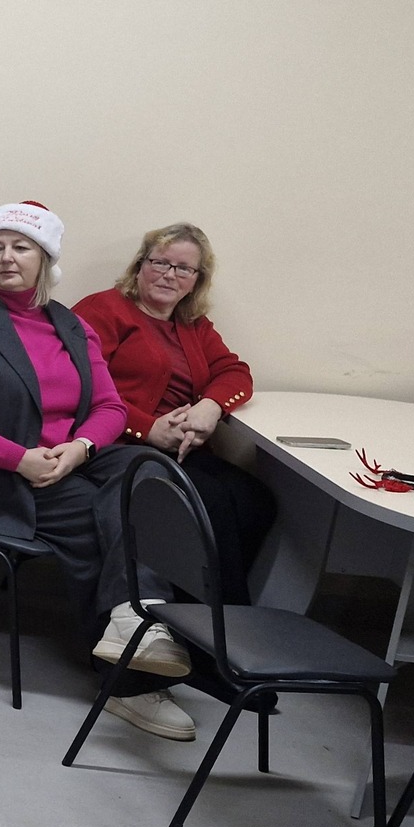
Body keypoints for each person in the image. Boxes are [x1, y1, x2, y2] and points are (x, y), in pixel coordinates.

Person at [0, 202, 197, 740]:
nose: (6, 258)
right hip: (0, 472)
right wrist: (19, 457)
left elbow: (110, 407)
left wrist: (81, 448)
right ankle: (129, 686)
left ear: (45, 258)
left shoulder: (71, 326)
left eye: (21, 247)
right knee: (100, 521)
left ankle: (135, 617)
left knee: (148, 473)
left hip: (67, 460)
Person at [73, 224, 275, 605]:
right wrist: (148, 429)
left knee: (256, 501)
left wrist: (210, 408)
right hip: (119, 445)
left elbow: (235, 372)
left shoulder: (192, 324)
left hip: (180, 448)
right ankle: (208, 622)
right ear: (140, 265)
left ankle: (214, 613)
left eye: (184, 268)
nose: (169, 275)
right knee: (209, 503)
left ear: (196, 280)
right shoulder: (102, 310)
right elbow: (78, 387)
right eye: (160, 263)